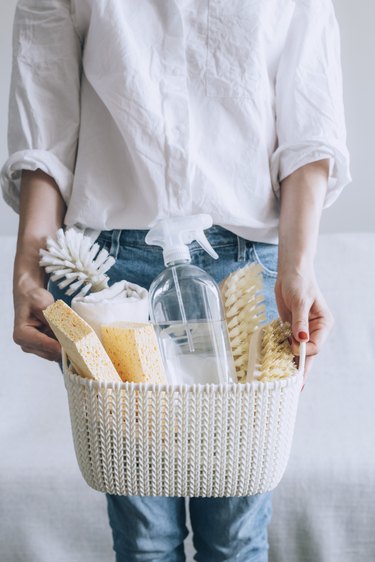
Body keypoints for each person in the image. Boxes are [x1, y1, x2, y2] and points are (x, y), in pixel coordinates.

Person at [1, 1, 351, 560]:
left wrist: (297, 266)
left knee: (235, 539)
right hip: (110, 273)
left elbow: (310, 120)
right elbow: (46, 118)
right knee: (145, 542)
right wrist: (27, 271)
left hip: (247, 270)